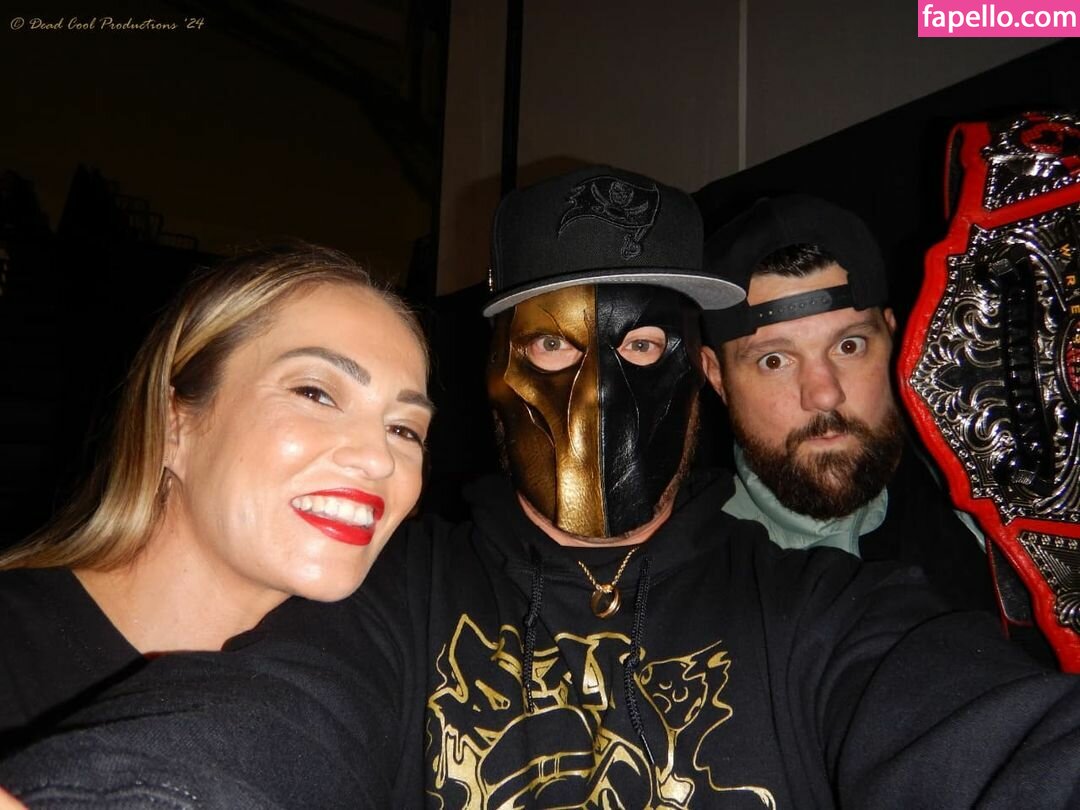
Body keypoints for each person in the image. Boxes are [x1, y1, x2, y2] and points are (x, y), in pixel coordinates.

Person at [3, 167, 1080, 809]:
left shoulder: (819, 610)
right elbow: (266, 724)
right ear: (492, 373)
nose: (602, 391)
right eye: (555, 349)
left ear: (697, 376)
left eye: (645, 344)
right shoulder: (393, 600)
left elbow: (982, 726)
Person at [0, 244, 433, 751]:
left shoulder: (378, 688)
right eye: (316, 393)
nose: (379, 459)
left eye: (405, 429)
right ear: (172, 424)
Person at [699, 194, 998, 613]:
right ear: (717, 377)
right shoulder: (690, 578)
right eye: (774, 360)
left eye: (849, 345)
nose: (824, 394)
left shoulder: (995, 496)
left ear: (895, 340)